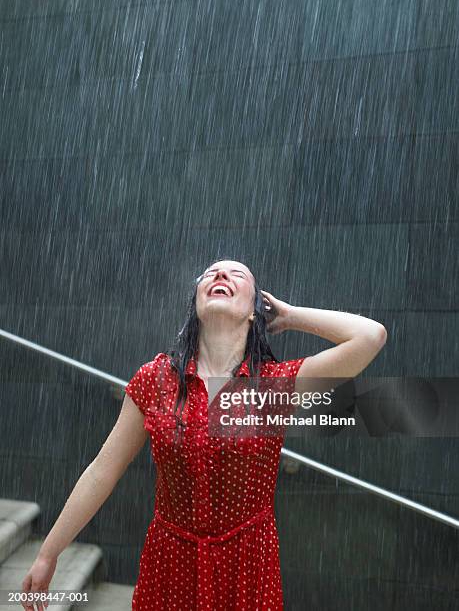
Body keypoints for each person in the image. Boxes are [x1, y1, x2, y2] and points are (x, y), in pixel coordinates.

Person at [21, 258, 387, 611]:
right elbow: (103, 470)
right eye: (210, 272)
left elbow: (370, 336)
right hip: (170, 564)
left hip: (246, 570)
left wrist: (290, 316)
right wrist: (49, 553)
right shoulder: (156, 378)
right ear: (196, 304)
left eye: (236, 274)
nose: (221, 274)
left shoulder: (274, 386)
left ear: (254, 310)